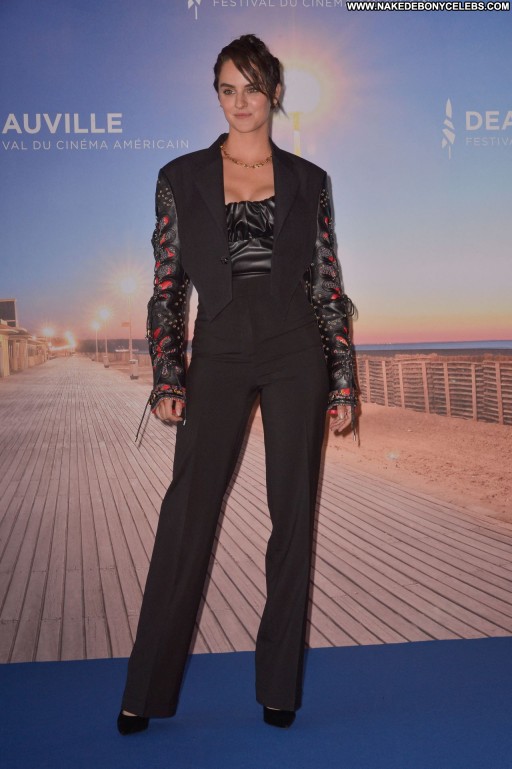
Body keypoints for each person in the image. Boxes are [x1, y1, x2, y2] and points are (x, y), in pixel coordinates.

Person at [117, 34, 357, 735]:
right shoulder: (180, 175)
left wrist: (342, 382)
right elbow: (167, 286)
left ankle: (278, 685)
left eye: (253, 87)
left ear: (274, 92)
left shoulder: (310, 180)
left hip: (295, 350)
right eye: (228, 88)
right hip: (218, 349)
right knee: (186, 515)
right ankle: (145, 689)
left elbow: (328, 283)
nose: (240, 101)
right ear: (217, 95)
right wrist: (169, 373)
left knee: (293, 516)